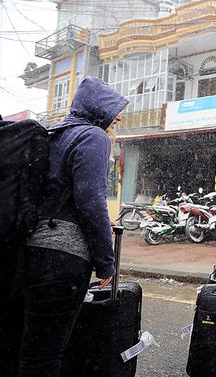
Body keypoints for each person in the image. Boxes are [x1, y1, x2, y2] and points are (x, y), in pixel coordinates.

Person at [15, 76, 128, 375]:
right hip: (62, 258)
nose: (119, 116)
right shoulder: (92, 136)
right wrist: (106, 262)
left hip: (27, 250)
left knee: (25, 347)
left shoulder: (52, 133)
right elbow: (90, 201)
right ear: (98, 108)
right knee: (47, 355)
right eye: (115, 108)